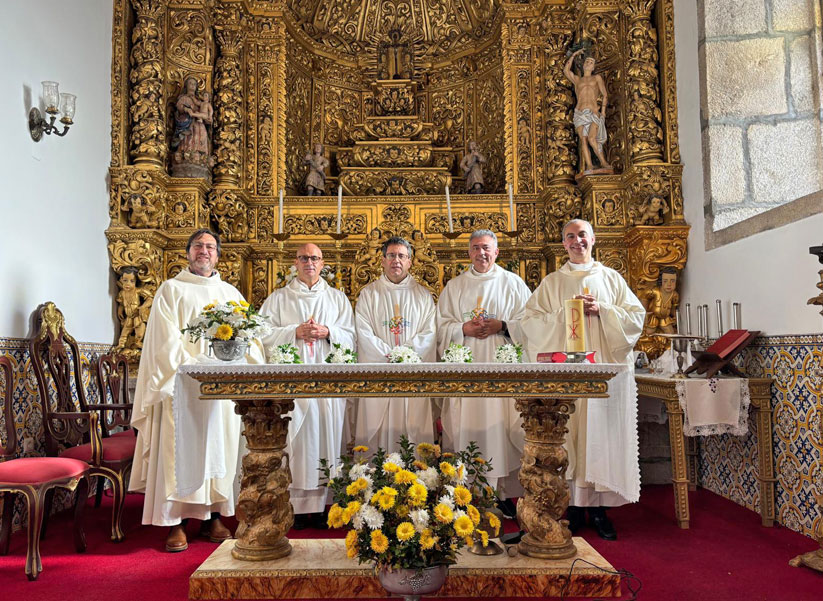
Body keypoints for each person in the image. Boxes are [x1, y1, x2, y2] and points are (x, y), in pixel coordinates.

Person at [128, 229, 265, 552]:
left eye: (210, 247)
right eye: (198, 246)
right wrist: (197, 366)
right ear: (188, 253)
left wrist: (231, 367)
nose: (204, 251)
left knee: (219, 449)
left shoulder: (230, 292)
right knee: (178, 450)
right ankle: (175, 521)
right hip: (182, 387)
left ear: (218, 255)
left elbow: (250, 338)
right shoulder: (171, 290)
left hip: (222, 390)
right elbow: (164, 341)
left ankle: (211, 516)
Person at [521, 219, 645, 540]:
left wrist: (602, 309)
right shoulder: (552, 282)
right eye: (571, 237)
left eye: (582, 236)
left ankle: (600, 510)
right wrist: (566, 314)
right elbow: (529, 322)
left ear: (593, 239)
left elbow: (635, 317)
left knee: (598, 435)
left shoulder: (610, 278)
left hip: (601, 373)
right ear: (563, 243)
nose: (577, 241)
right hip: (568, 374)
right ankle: (574, 508)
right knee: (572, 436)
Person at [259, 243, 355, 527]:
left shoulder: (337, 299)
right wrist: (294, 332)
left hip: (328, 385)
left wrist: (328, 332)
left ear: (322, 263)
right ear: (295, 262)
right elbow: (261, 335)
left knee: (327, 439)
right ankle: (296, 506)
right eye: (303, 258)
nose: (309, 262)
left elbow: (352, 337)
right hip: (293, 386)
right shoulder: (278, 299)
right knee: (297, 443)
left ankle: (327, 506)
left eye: (314, 258)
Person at [436, 230, 532, 499]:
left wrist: (502, 325)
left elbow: (531, 323)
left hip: (501, 369)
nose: (481, 253)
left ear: (497, 252)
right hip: (465, 368)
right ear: (469, 252)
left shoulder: (513, 284)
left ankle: (502, 495)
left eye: (487, 248)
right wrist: (462, 328)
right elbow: (440, 327)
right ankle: (466, 493)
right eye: (476, 248)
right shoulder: (455, 287)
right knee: (467, 427)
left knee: (501, 427)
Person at [354, 236, 437, 452]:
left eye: (402, 256)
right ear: (382, 260)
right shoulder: (369, 294)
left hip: (412, 374)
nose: (396, 261)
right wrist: (389, 355)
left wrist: (405, 356)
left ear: (410, 261)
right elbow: (363, 333)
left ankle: (419, 480)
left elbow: (430, 333)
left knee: (414, 433)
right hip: (380, 374)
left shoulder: (423, 295)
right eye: (391, 255)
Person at [564, 49, 612, 174]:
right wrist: (574, 55)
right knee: (583, 139)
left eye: (591, 62)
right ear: (584, 64)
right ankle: (589, 165)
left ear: (594, 66)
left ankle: (603, 162)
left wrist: (603, 112)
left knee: (592, 138)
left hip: (593, 112)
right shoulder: (578, 80)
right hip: (579, 113)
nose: (589, 63)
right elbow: (566, 71)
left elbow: (604, 95)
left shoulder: (596, 78)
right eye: (587, 61)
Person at [642, 266, 679, 336]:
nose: (669, 284)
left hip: (665, 318)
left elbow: (673, 308)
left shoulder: (675, 295)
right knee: (649, 333)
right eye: (665, 281)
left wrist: (675, 317)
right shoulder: (655, 291)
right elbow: (645, 296)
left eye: (672, 281)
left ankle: (662, 338)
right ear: (661, 281)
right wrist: (644, 311)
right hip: (653, 317)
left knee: (670, 333)